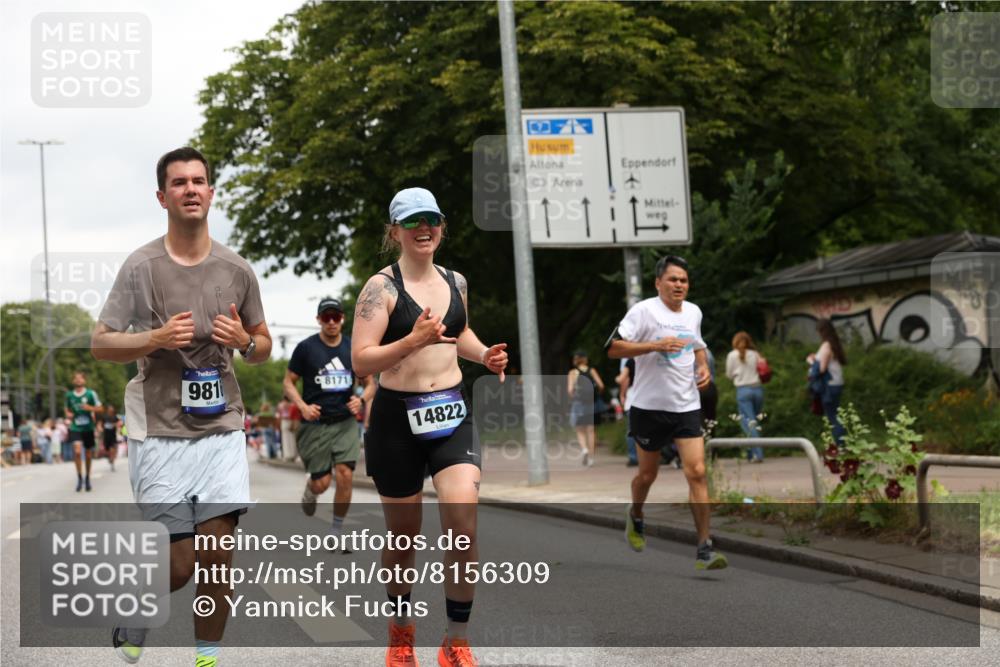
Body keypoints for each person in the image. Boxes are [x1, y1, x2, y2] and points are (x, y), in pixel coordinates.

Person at [92, 146, 271, 667]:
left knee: (216, 559)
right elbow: (102, 344)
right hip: (160, 433)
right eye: (179, 183)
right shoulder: (141, 266)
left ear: (211, 192)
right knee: (178, 565)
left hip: (221, 429)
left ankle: (207, 660)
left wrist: (243, 339)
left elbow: (262, 349)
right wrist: (155, 337)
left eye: (199, 181)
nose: (190, 189)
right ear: (162, 196)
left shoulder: (236, 269)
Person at [352, 187, 508, 667]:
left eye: (433, 220)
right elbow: (361, 360)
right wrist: (411, 341)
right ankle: (401, 637)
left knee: (463, 524)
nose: (425, 229)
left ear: (441, 227)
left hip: (450, 411)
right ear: (395, 230)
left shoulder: (455, 281)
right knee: (404, 538)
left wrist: (484, 355)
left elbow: (459, 333)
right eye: (414, 221)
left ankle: (455, 642)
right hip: (397, 418)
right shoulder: (381, 288)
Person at [607, 255, 728, 570]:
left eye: (684, 280)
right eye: (673, 279)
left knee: (698, 472)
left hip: (686, 405)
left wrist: (703, 367)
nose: (679, 285)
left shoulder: (693, 312)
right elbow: (613, 348)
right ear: (658, 282)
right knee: (648, 475)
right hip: (648, 407)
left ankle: (704, 547)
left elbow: (697, 343)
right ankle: (636, 514)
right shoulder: (643, 311)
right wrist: (654, 346)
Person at [283, 297, 374, 545]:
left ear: (343, 319)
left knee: (345, 474)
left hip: (344, 422)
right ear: (319, 320)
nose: (332, 322)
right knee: (322, 484)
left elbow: (370, 384)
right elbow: (288, 382)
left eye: (336, 317)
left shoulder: (352, 348)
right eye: (326, 317)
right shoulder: (305, 348)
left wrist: (362, 400)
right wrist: (302, 406)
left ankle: (336, 530)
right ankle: (311, 490)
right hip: (316, 423)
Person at [726, 332, 765, 463]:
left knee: (748, 423)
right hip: (758, 389)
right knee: (753, 421)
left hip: (743, 390)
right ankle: (750, 453)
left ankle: (757, 454)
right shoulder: (755, 354)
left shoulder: (732, 355)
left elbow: (729, 375)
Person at [808, 318, 847, 444]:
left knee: (833, 417)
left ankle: (841, 444)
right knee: (835, 414)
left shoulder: (826, 345)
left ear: (822, 331)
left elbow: (822, 368)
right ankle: (843, 443)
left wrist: (811, 361)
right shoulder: (834, 344)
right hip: (836, 383)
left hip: (829, 385)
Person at [567, 350, 604, 467]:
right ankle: (591, 458)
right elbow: (601, 385)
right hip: (591, 402)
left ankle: (584, 450)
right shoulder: (591, 370)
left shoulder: (573, 372)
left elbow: (570, 390)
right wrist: (597, 394)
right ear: (585, 359)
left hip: (578, 403)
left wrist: (574, 397)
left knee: (580, 430)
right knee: (591, 431)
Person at [65, 371, 101, 489]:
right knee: (77, 452)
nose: (78, 380)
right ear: (73, 381)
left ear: (84, 381)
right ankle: (79, 477)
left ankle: (87, 478)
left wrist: (89, 408)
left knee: (88, 454)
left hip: (88, 427)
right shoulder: (69, 395)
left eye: (81, 378)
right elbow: (67, 409)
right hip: (75, 427)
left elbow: (100, 408)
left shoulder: (91, 394)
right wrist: (69, 414)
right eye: (76, 379)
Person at [616, 358, 639, 466]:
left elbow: (623, 379)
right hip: (650, 400)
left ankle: (633, 457)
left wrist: (621, 394)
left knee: (632, 431)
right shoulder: (652, 356)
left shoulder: (630, 360)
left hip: (633, 399)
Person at [100, 405, 122, 471]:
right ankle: (109, 458)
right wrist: (100, 429)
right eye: (110, 410)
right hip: (106, 436)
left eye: (112, 410)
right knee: (107, 450)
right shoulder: (104, 417)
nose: (111, 411)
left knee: (113, 449)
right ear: (108, 410)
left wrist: (116, 425)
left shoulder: (115, 417)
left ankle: (112, 462)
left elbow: (120, 423)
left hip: (113, 436)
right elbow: (101, 425)